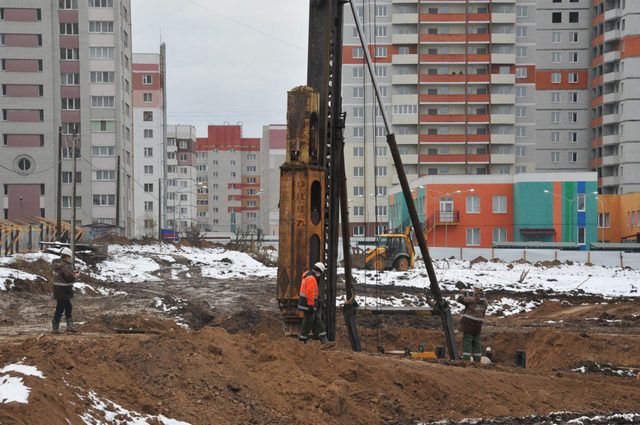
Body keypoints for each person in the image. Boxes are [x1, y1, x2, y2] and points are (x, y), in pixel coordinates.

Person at [298, 262, 335, 349]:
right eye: (321, 273)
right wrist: (311, 305)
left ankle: (324, 341)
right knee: (308, 322)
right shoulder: (311, 278)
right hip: (308, 304)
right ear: (319, 271)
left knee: (317, 321)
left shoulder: (308, 276)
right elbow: (310, 293)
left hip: (307, 304)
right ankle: (301, 343)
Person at [52, 247, 79, 334]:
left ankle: (67, 326)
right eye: (70, 257)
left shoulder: (57, 264)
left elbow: (62, 276)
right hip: (63, 290)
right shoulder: (65, 266)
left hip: (58, 289)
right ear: (67, 257)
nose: (71, 259)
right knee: (61, 308)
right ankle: (56, 328)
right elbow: (69, 278)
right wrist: (75, 276)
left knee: (67, 307)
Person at [457, 283, 487, 361]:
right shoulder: (485, 302)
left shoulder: (472, 300)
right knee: (476, 341)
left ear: (478, 290)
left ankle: (466, 359)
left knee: (467, 340)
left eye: (475, 289)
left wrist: (462, 294)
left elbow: (461, 300)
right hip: (478, 325)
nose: (474, 290)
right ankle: (477, 359)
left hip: (469, 323)